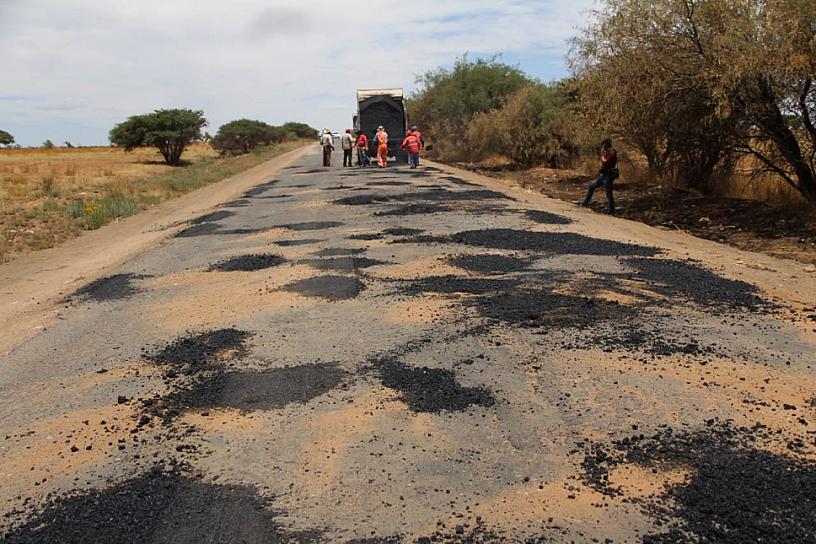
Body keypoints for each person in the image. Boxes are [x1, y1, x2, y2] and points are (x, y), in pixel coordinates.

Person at [582, 139, 619, 214]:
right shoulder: (607, 153)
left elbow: (605, 161)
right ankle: (585, 203)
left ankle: (611, 211)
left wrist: (602, 155)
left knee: (608, 193)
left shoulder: (612, 152)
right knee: (592, 185)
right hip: (604, 176)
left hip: (609, 176)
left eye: (603, 146)